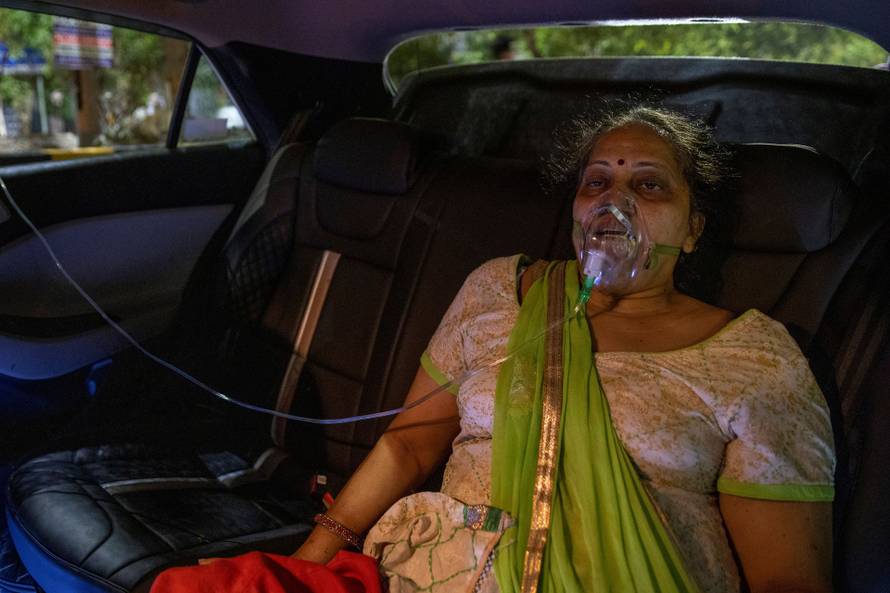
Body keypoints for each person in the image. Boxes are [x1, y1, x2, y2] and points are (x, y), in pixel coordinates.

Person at [289, 105, 836, 593]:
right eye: (596, 182)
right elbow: (407, 447)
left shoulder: (754, 356)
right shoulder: (498, 289)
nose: (613, 202)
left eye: (649, 187)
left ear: (692, 229)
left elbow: (786, 579)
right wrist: (306, 566)